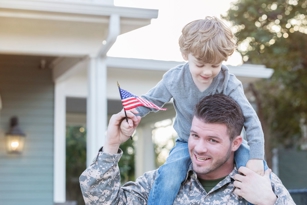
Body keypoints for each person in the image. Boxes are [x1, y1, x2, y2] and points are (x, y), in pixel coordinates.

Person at [134, 16, 267, 205]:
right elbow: (150, 100)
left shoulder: (228, 82)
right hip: (185, 142)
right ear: (185, 54)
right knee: (168, 177)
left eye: (215, 65)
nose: (207, 72)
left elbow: (251, 120)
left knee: (255, 171)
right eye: (200, 64)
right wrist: (132, 114)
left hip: (226, 145)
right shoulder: (174, 79)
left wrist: (256, 158)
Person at [79, 94, 295, 205]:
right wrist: (111, 145)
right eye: (194, 136)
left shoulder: (261, 183)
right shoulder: (162, 182)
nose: (199, 148)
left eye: (212, 140)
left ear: (236, 143)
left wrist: (270, 202)